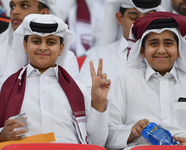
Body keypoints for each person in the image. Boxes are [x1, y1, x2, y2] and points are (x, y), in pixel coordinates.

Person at [0, 14, 110, 146]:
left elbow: (97, 143)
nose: (43, 47)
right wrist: (3, 135)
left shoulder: (78, 89)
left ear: (61, 49)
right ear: (25, 45)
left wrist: (99, 103)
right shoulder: (5, 87)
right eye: (36, 41)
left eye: (50, 42)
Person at [106, 12, 186, 150]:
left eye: (168, 43)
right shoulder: (125, 81)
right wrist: (131, 132)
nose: (161, 50)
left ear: (179, 50)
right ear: (142, 51)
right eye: (154, 43)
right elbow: (107, 134)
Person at [79, 0, 164, 95]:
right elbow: (85, 97)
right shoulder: (99, 57)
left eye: (147, 18)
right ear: (120, 18)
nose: (141, 24)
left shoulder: (166, 57)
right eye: (133, 18)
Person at [0, 0, 79, 90]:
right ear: (25, 45)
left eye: (24, 5)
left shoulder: (67, 58)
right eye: (12, 6)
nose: (14, 11)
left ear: (44, 13)